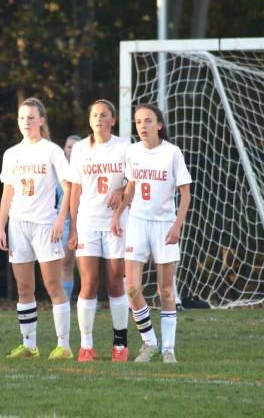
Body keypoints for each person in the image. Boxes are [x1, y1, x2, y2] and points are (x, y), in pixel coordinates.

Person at [111, 103, 192, 363]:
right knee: (132, 288)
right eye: (138, 122)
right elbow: (131, 186)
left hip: (164, 225)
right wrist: (117, 213)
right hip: (137, 223)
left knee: (165, 290)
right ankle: (150, 342)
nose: (142, 126)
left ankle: (168, 348)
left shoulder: (172, 153)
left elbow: (185, 193)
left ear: (159, 124)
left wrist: (177, 224)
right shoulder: (133, 152)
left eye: (148, 121)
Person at [0, 97, 73, 360]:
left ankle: (64, 346)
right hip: (18, 226)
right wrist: (0, 227)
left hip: (45, 226)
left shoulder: (51, 150)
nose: (26, 122)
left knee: (53, 285)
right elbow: (8, 192)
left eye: (31, 117)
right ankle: (30, 346)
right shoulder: (11, 154)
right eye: (21, 118)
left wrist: (60, 219)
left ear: (41, 120)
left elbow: (69, 186)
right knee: (24, 288)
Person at [67, 99, 130, 362]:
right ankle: (86, 345)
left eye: (104, 115)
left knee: (115, 282)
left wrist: (121, 190)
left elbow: (133, 183)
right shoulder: (80, 149)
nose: (99, 119)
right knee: (89, 282)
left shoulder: (125, 147)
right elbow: (75, 190)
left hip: (116, 222)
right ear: (89, 120)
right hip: (88, 222)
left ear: (113, 120)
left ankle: (120, 344)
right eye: (95, 115)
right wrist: (73, 227)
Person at [56, 134, 81, 301]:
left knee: (85, 265)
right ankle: (64, 302)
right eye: (69, 146)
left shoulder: (86, 169)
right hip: (63, 221)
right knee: (65, 262)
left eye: (75, 147)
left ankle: (87, 301)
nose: (71, 150)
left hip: (85, 219)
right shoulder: (57, 170)